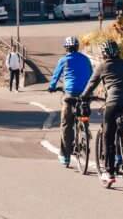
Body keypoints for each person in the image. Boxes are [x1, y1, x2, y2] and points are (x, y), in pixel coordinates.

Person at [82, 39, 123, 188]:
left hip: (114, 102)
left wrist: (83, 97)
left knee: (108, 136)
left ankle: (109, 172)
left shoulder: (103, 66)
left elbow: (91, 84)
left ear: (103, 54)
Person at [47, 35, 93, 167]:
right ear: (77, 47)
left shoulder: (64, 60)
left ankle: (65, 155)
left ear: (66, 48)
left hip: (70, 94)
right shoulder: (85, 59)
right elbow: (91, 75)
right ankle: (85, 130)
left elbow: (55, 76)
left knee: (66, 124)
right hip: (85, 94)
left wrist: (52, 87)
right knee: (83, 113)